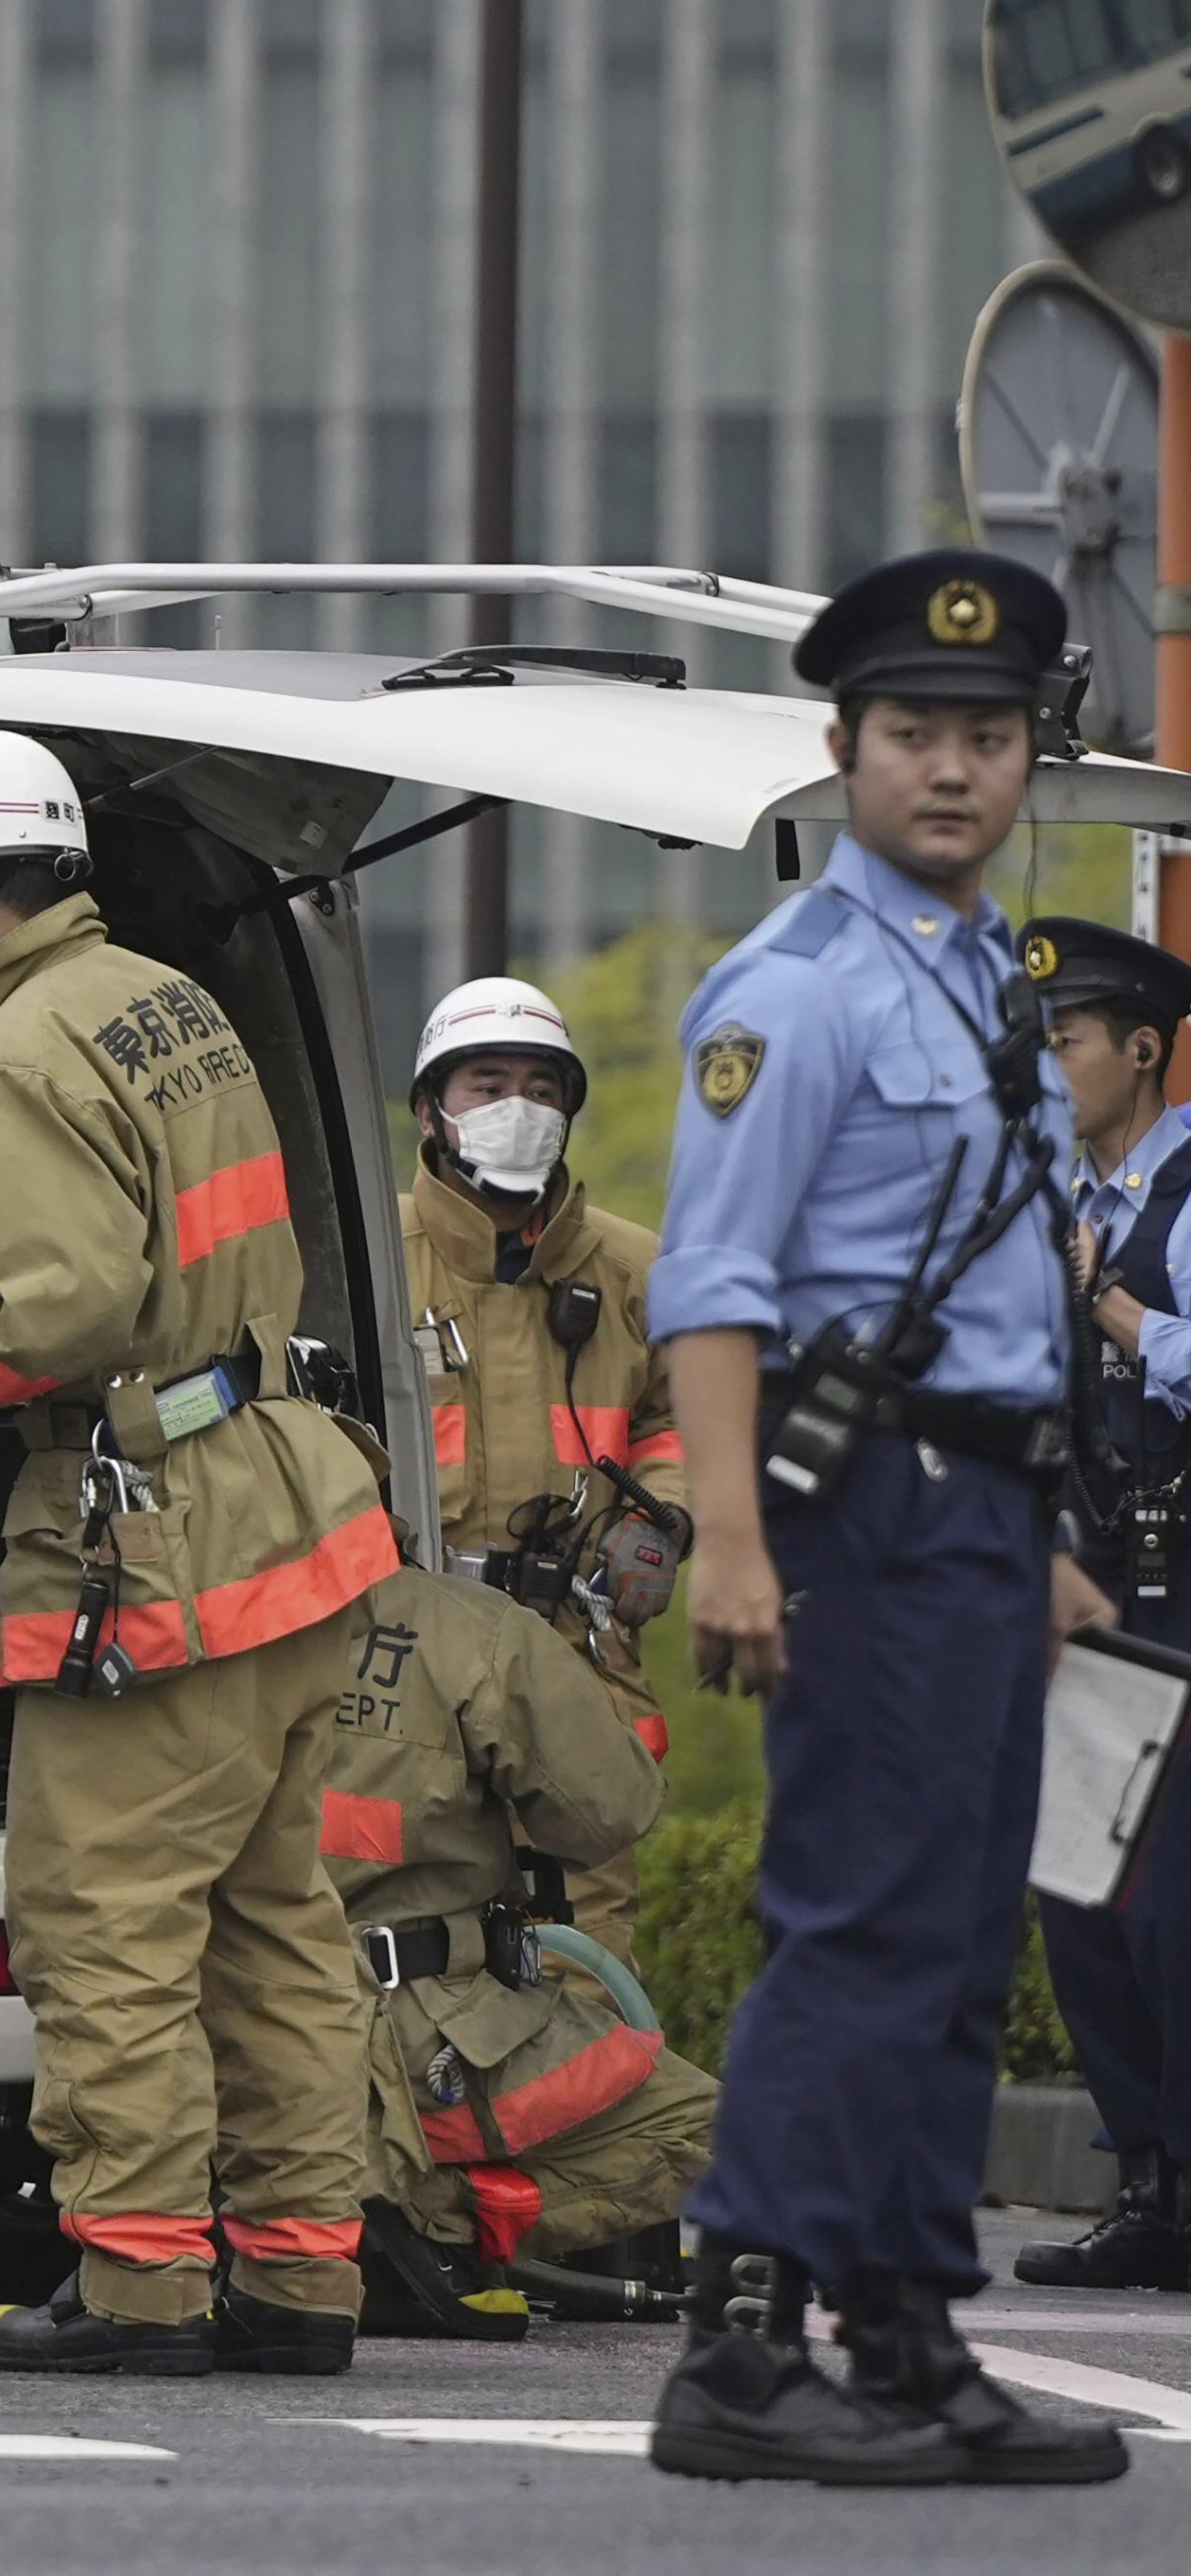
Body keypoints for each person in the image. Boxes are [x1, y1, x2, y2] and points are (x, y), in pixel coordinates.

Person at [0, 726, 394, 2378]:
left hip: (160, 1537)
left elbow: (65, 1310)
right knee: (274, 1920)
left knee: (102, 1920)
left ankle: (135, 2282)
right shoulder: (168, 1000)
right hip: (282, 1504)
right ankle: (295, 2276)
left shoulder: (20, 1050)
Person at [642, 548, 1126, 2485]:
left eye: (988, 737)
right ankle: (741, 2344)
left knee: (944, 1923)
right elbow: (713, 1284)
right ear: (838, 750)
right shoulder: (798, 992)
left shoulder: (981, 982)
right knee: (854, 1918)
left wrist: (1042, 1537)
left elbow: (998, 1286)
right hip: (856, 1512)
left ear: (1026, 758)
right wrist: (735, 1539)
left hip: (980, 1512)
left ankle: (910, 2330)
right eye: (913, 735)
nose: (952, 770)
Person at [323, 1560, 717, 2340]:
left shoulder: (183, 1617)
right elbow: (611, 1810)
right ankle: (426, 2215)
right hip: (419, 2031)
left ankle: (311, 2212)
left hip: (239, 2021)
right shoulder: (467, 1627)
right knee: (713, 2132)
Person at [400, 978, 685, 1959]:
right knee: (401, 1930)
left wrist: (662, 1518)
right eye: (486, 1085)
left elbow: (680, 1412)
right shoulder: (363, 1253)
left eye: (540, 1086)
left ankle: (590, 2117)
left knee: (588, 1941)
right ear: (430, 1110)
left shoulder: (636, 1269)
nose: (517, 1109)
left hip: (575, 1647)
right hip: (407, 1654)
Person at [1015, 916, 1191, 2294]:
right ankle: (1150, 2182)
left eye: (1065, 1040)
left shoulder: (1186, 1193)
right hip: (1086, 1584)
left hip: (1184, 1589)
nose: (1047, 1063)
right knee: (1083, 1889)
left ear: (1141, 1049)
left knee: (1171, 1902)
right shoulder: (1046, 1198)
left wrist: (1112, 1312)